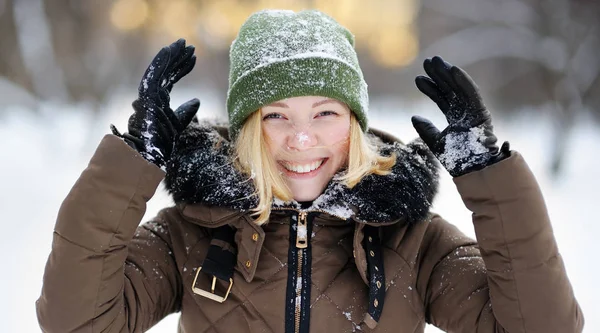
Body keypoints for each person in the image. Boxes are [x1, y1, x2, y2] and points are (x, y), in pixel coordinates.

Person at [36, 9, 583, 333]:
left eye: (325, 113)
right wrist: (135, 160)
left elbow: (541, 327)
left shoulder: (415, 243)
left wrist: (492, 179)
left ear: (355, 125)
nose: (302, 138)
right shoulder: (193, 233)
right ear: (248, 129)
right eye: (276, 115)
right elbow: (76, 320)